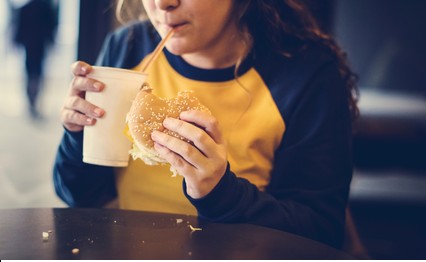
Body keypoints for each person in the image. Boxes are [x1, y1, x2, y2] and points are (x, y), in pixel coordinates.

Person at [53, 0, 359, 249]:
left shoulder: (307, 75)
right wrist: (79, 134)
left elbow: (319, 232)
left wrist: (219, 192)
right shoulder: (126, 47)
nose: (163, 4)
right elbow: (79, 196)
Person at [12, 0, 58, 118]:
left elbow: (19, 27)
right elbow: (51, 26)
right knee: (37, 73)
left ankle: (31, 100)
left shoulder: (26, 7)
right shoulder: (46, 7)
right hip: (39, 45)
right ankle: (33, 99)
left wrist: (16, 42)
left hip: (30, 45)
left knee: (30, 72)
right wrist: (51, 42)